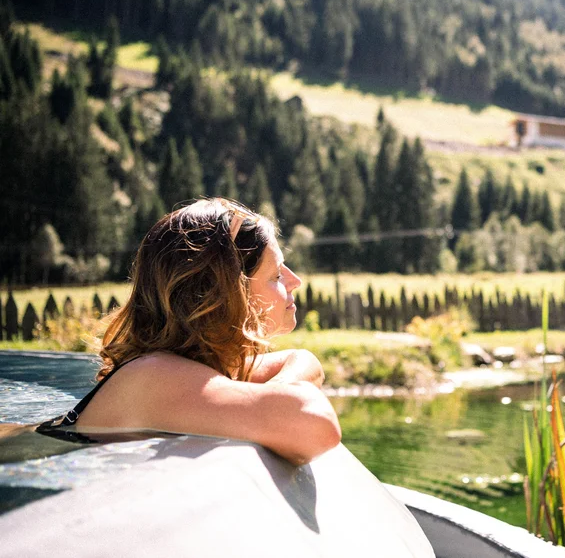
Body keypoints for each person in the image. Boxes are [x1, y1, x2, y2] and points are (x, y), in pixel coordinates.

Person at [33, 198, 341, 465]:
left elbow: (305, 360)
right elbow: (316, 424)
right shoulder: (156, 377)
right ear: (228, 296)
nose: (295, 281)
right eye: (275, 275)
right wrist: (274, 397)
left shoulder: (198, 367)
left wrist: (272, 393)